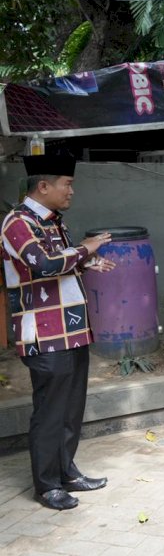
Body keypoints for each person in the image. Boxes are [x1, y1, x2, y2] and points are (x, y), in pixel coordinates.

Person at [1, 150, 115, 510]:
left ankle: (67, 472)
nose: (72, 191)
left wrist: (87, 263)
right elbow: (45, 264)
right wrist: (86, 248)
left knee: (70, 408)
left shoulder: (54, 221)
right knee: (50, 411)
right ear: (44, 185)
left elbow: (61, 265)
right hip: (43, 333)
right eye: (67, 184)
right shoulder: (16, 223)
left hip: (72, 329)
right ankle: (47, 484)